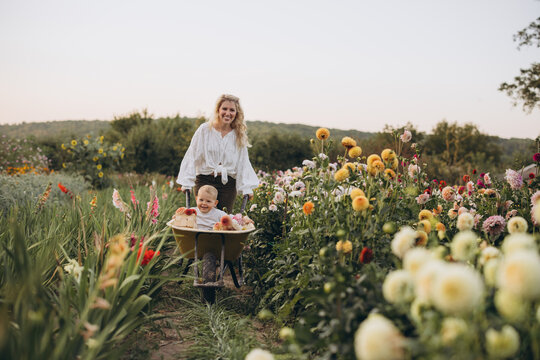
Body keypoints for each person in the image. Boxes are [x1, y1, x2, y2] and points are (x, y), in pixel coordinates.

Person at [176, 94, 259, 212]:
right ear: (218, 110)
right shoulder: (205, 130)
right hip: (205, 180)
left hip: (227, 184)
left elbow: (243, 162)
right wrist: (187, 181)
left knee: (223, 218)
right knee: (204, 216)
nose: (228, 113)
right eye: (224, 109)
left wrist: (246, 187)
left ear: (237, 113)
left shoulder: (238, 135)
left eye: (232, 110)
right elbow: (192, 155)